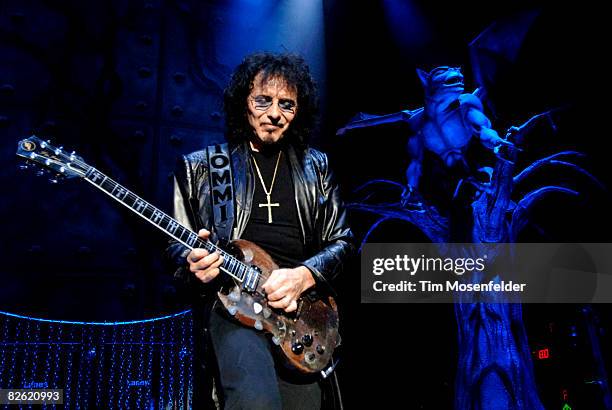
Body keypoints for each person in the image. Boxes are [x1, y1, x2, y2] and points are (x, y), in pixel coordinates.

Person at [166, 52, 354, 409]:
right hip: (233, 303)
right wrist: (191, 262)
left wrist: (304, 276)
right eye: (262, 101)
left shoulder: (316, 167)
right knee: (255, 401)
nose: (274, 114)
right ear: (243, 103)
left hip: (300, 315)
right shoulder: (202, 168)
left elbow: (342, 241)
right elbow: (175, 247)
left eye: (287, 104)